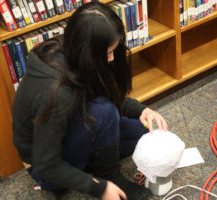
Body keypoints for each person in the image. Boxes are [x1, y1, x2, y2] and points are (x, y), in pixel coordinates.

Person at [12, 2, 168, 200]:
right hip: (43, 165)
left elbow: (101, 94)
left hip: (73, 122)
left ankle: (86, 165)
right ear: (89, 52)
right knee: (106, 112)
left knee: (144, 131)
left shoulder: (76, 50)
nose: (112, 59)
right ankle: (106, 175)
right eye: (108, 53)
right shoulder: (56, 93)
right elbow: (46, 163)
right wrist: (99, 188)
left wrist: (141, 110)